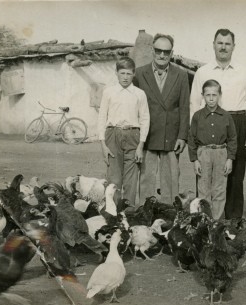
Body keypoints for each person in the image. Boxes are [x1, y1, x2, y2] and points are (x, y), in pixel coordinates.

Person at [190, 28, 246, 220]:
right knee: (207, 176)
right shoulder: (202, 72)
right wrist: (195, 134)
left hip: (237, 123)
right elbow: (194, 103)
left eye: (227, 43)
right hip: (208, 122)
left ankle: (233, 221)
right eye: (220, 43)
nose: (223, 47)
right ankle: (204, 219)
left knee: (235, 176)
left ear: (233, 47)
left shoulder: (244, 72)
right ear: (214, 45)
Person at [134, 33, 190, 205]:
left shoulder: (180, 75)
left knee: (171, 181)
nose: (162, 55)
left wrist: (182, 136)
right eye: (158, 50)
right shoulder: (139, 73)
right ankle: (145, 214)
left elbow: (184, 107)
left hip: (171, 136)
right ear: (152, 50)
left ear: (171, 53)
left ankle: (169, 215)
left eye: (166, 52)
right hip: (148, 135)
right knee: (146, 180)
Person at [97, 57, 150, 205]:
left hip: (133, 135)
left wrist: (140, 145)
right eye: (122, 73)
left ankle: (129, 213)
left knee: (131, 179)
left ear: (133, 74)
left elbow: (145, 119)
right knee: (114, 178)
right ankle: (113, 213)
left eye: (128, 73)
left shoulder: (140, 94)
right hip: (113, 134)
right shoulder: (109, 92)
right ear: (116, 73)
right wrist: (103, 144)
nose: (125, 77)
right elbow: (102, 117)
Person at [188, 80, 237, 220]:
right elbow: (191, 139)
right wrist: (195, 160)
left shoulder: (226, 116)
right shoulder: (197, 116)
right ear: (202, 95)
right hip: (203, 153)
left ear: (219, 95)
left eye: (214, 95)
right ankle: (205, 220)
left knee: (219, 189)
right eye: (207, 94)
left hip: (221, 152)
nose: (211, 98)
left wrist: (230, 159)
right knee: (203, 189)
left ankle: (216, 221)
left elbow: (233, 138)